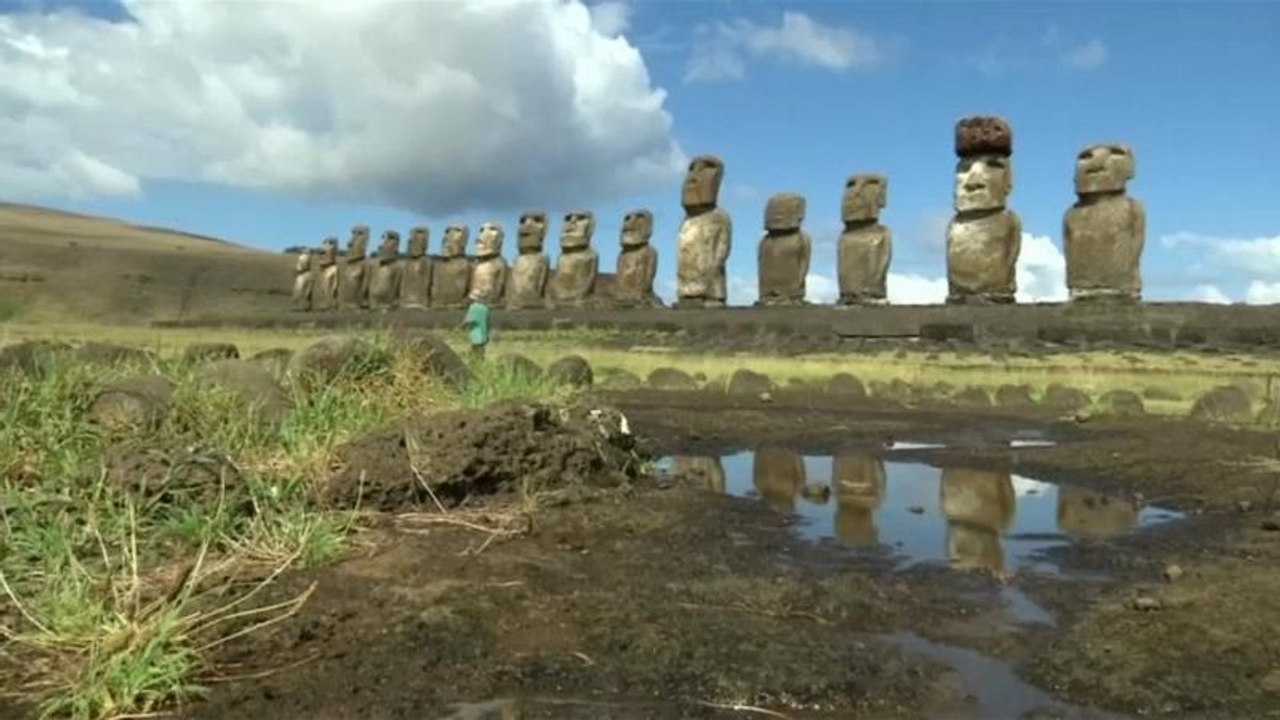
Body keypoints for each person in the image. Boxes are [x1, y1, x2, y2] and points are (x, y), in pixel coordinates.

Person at [460, 289, 490, 361]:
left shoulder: (473, 307)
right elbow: (487, 322)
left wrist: (460, 327)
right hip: (484, 335)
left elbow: (468, 320)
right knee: (480, 353)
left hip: (476, 335)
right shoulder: (485, 308)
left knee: (475, 354)